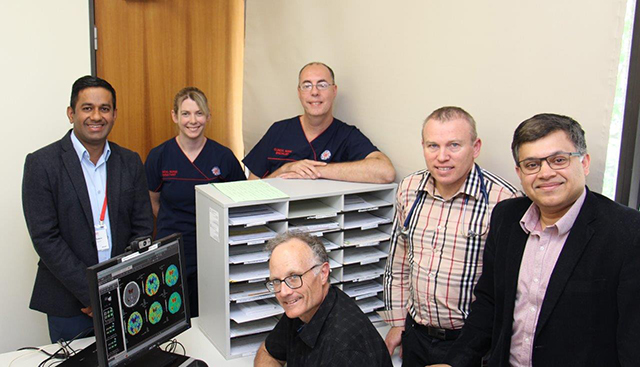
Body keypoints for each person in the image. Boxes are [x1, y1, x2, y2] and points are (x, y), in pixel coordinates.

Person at [431, 114, 640, 367]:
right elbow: (489, 303)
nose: (546, 173)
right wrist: (455, 362)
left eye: (559, 160)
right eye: (532, 165)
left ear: (584, 162)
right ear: (519, 173)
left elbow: (632, 339)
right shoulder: (506, 218)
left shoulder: (627, 232)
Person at [381, 107, 520, 366]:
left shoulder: (504, 200)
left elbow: (506, 289)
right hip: (416, 335)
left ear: (475, 147)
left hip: (470, 342)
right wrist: (398, 321)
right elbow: (398, 260)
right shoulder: (409, 189)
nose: (442, 157)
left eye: (454, 145)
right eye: (433, 146)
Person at [22, 75, 154, 343]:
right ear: (71, 113)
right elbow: (45, 238)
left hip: (123, 295)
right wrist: (92, 293)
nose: (97, 116)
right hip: (69, 302)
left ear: (114, 114)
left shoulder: (129, 161)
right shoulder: (42, 164)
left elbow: (142, 228)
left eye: (104, 108)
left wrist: (115, 287)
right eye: (87, 108)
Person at [145, 87, 245, 317]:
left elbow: (238, 203)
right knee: (172, 315)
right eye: (186, 113)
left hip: (212, 250)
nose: (193, 120)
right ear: (175, 116)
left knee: (210, 315)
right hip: (172, 250)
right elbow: (153, 201)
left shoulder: (223, 157)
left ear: (208, 117)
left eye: (199, 113)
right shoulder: (159, 156)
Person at [254, 232, 393, 367]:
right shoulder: (304, 307)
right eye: (277, 281)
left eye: (294, 277)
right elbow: (268, 353)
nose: (284, 292)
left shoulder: (345, 350)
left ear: (323, 273)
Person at [243, 62, 395, 183]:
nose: (314, 92)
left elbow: (385, 172)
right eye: (307, 86)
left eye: (322, 85)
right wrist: (285, 170)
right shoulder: (279, 130)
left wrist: (317, 171)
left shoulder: (346, 135)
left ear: (334, 91)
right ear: (299, 92)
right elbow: (251, 190)